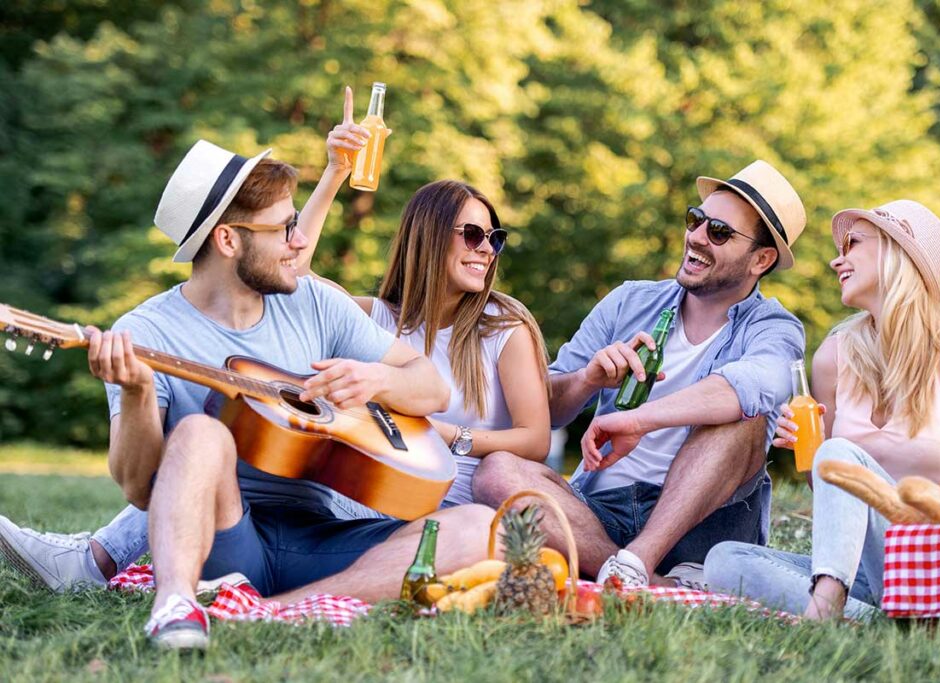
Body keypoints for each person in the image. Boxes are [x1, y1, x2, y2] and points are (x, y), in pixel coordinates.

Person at [0, 95, 551, 592]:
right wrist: (140, 395)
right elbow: (141, 488)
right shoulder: (145, 332)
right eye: (286, 228)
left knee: (485, 528)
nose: (301, 240)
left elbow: (428, 384)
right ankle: (112, 566)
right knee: (199, 431)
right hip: (227, 536)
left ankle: (289, 606)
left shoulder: (312, 301)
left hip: (319, 533)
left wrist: (379, 379)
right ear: (228, 240)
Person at [473, 160, 807, 588]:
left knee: (745, 418)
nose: (697, 237)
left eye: (719, 232)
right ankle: (635, 573)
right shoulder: (628, 301)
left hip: (698, 528)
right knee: (496, 471)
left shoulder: (774, 328)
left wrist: (636, 419)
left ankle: (635, 562)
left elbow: (752, 387)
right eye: (696, 219)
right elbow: (544, 413)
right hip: (598, 515)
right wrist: (587, 379)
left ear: (761, 259)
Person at [704, 200, 940, 619]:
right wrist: (809, 458)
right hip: (865, 573)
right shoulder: (834, 356)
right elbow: (835, 499)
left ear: (896, 253)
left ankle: (826, 609)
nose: (838, 260)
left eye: (852, 244)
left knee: (839, 457)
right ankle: (868, 619)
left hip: (936, 566)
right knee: (723, 560)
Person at [298, 176, 552, 509]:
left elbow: (535, 439)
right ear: (430, 238)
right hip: (380, 499)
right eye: (474, 235)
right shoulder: (380, 319)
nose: (488, 250)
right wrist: (334, 172)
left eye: (495, 238)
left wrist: (444, 433)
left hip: (467, 506)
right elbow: (297, 272)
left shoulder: (503, 328)